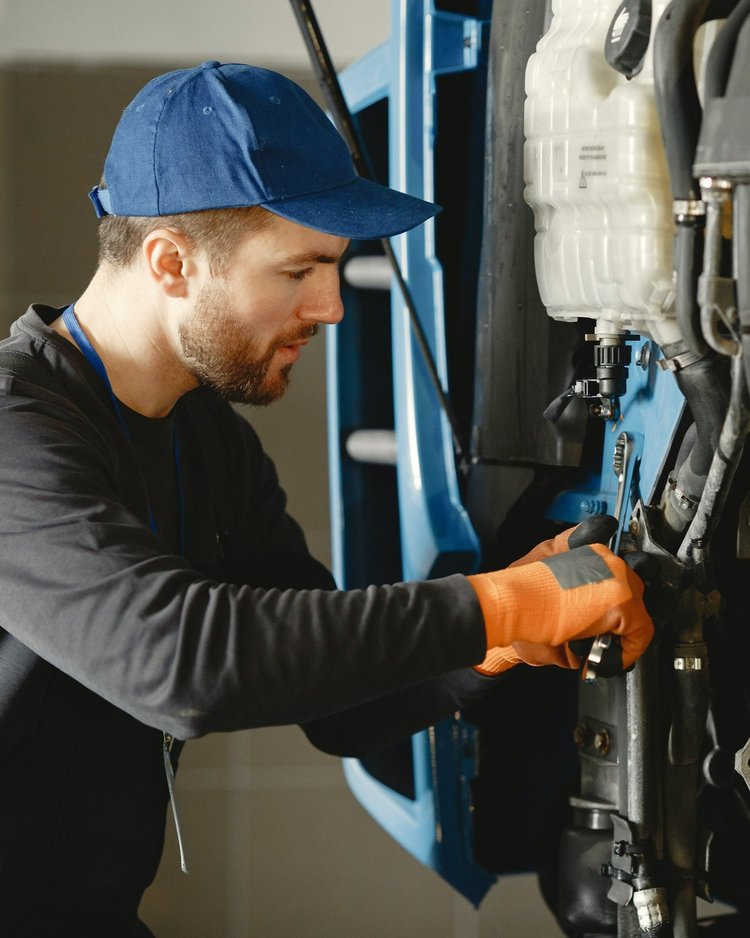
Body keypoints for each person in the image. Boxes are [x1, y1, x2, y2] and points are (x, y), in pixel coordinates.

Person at [0, 61, 654, 936]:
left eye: (336, 269)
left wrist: (499, 644)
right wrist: (492, 605)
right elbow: (184, 664)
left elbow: (339, 707)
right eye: (301, 268)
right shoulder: (16, 430)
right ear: (169, 261)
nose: (333, 306)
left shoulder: (206, 441)